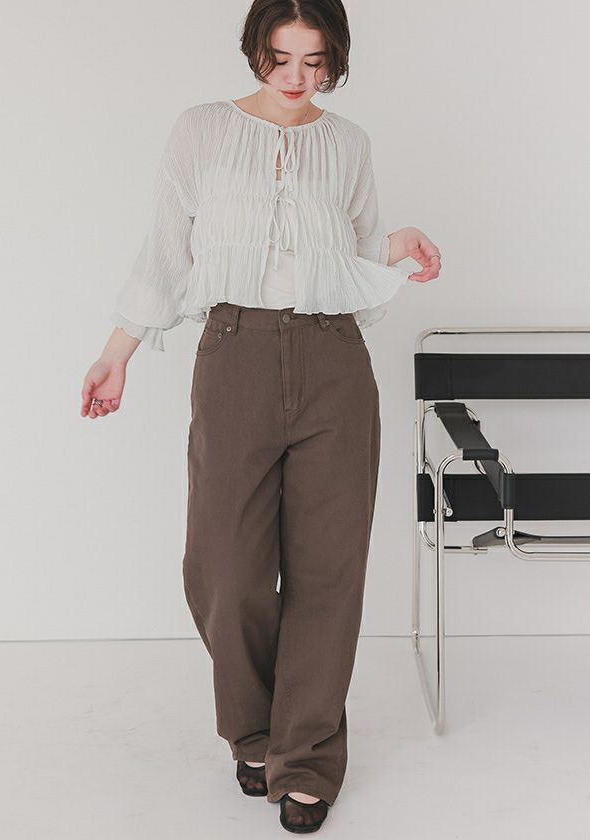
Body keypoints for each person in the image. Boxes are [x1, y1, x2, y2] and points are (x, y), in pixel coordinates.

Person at [81, 0, 440, 832]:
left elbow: (351, 251)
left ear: (335, 59)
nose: (296, 77)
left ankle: (306, 758)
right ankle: (255, 732)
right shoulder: (202, 130)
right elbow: (167, 248)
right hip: (234, 352)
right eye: (280, 58)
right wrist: (118, 350)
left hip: (333, 358)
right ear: (255, 51)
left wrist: (398, 242)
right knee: (224, 569)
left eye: (314, 61)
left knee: (327, 569)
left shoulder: (348, 143)